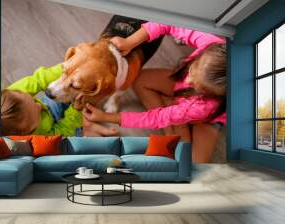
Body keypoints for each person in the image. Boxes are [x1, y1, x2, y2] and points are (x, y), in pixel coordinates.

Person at [83, 22, 226, 163]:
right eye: (192, 69)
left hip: (207, 118)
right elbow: (167, 23)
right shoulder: (212, 45)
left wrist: (106, 117)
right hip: (181, 92)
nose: (189, 80)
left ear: (210, 93)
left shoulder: (204, 107)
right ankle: (173, 120)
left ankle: (174, 119)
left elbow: (154, 118)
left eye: (197, 85)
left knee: (195, 163)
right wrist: (129, 42)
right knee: (139, 80)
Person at [2, 64, 117, 137]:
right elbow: (64, 131)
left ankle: (85, 124)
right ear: (28, 131)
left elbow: (40, 79)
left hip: (51, 110)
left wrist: (66, 69)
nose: (39, 106)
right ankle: (85, 128)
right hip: (57, 130)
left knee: (64, 94)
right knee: (74, 134)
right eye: (36, 113)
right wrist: (76, 110)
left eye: (33, 100)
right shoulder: (38, 138)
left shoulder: (13, 95)